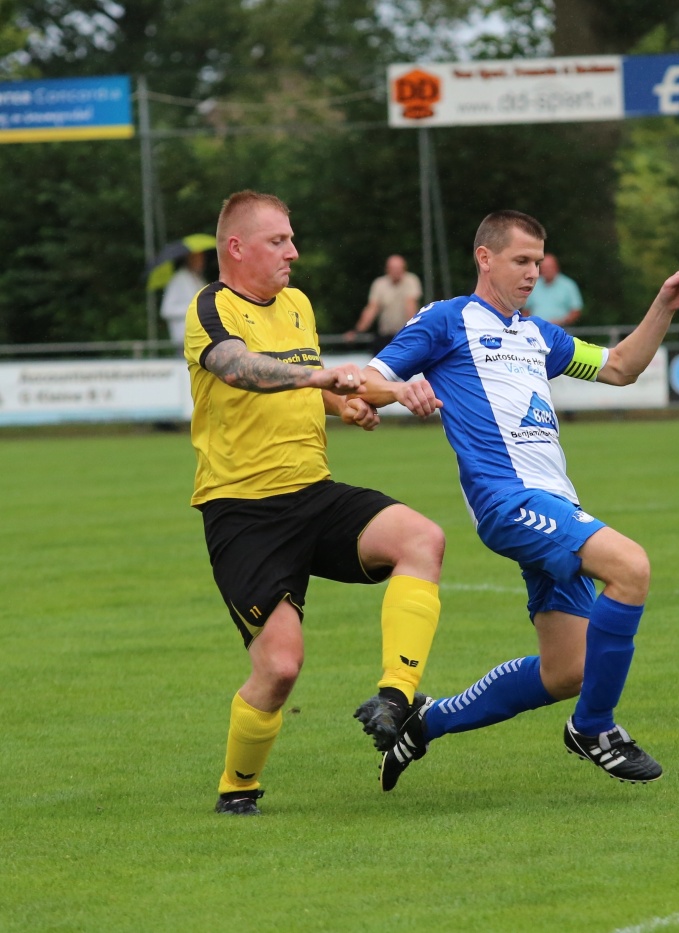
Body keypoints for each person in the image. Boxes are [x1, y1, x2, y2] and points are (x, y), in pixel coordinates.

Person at [356, 210, 679, 791]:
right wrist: (397, 388)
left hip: (554, 501)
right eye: (521, 261)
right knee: (631, 566)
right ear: (484, 258)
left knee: (569, 671)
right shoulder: (447, 320)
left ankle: (425, 725)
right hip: (507, 501)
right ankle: (594, 729)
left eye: (538, 263)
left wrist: (662, 307)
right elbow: (365, 379)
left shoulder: (539, 333)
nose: (532, 274)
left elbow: (620, 368)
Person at [186, 191, 447, 815]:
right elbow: (238, 368)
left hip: (314, 493)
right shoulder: (211, 307)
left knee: (422, 538)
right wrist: (321, 380)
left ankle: (396, 698)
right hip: (243, 511)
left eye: (292, 238)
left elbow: (312, 378)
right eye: (279, 241)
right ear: (237, 248)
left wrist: (354, 400)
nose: (293, 253)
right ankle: (238, 788)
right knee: (279, 669)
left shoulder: (296, 305)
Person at [345, 254, 423, 354]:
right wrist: (357, 331)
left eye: (399, 268)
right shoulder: (379, 284)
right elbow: (372, 309)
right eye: (393, 268)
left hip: (405, 335)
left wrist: (413, 330)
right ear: (387, 269)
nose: (396, 271)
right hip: (385, 336)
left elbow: (410, 306)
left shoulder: (411, 280)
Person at [523, 253, 584, 327]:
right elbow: (526, 310)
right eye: (543, 267)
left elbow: (576, 311)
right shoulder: (533, 285)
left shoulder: (568, 285)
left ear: (556, 267)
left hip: (561, 331)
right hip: (536, 330)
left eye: (549, 267)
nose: (546, 270)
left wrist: (562, 321)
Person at [161, 250, 207, 345]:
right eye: (197, 258)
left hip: (200, 338)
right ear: (188, 259)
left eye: (202, 258)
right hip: (183, 339)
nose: (201, 262)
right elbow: (166, 310)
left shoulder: (199, 279)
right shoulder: (178, 279)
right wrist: (193, 309)